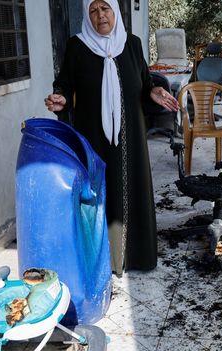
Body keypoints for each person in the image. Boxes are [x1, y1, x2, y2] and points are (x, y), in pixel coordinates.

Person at [44, 0, 178, 275]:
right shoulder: (77, 46)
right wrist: (61, 99)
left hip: (131, 138)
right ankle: (103, 262)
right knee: (99, 192)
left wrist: (153, 91)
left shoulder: (131, 43)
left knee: (132, 189)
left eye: (105, 8)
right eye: (93, 10)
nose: (100, 15)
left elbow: (144, 83)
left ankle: (137, 257)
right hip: (94, 137)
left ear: (115, 11)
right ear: (87, 15)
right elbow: (65, 84)